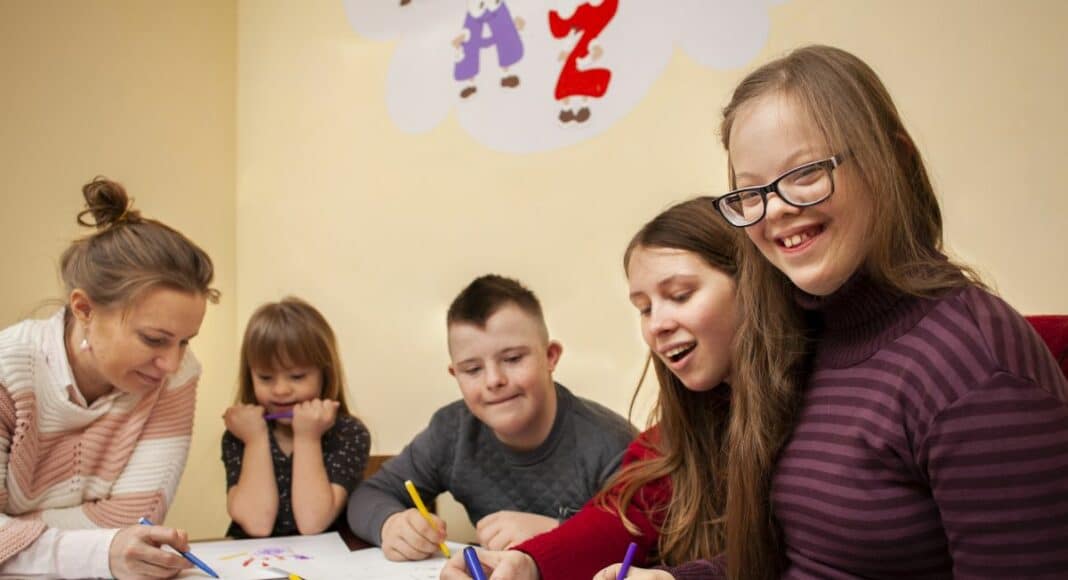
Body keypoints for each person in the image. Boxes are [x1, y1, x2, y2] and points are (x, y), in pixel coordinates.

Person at [622, 44, 1068, 579]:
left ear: (893, 160)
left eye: (806, 172)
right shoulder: (804, 339)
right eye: (751, 192)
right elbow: (803, 561)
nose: (778, 209)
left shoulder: (974, 365)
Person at [441, 198, 764, 580]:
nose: (656, 324)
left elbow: (793, 555)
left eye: (679, 295)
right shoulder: (677, 432)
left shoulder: (818, 410)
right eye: (644, 308)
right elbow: (627, 514)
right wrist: (528, 562)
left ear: (752, 285)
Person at [0, 177, 218, 578]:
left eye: (185, 341)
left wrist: (19, 531)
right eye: (154, 339)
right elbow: (117, 536)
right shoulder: (7, 374)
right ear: (84, 308)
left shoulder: (177, 377)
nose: (171, 364)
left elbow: (135, 517)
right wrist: (100, 549)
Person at [347, 274, 636, 561]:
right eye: (473, 369)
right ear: (455, 374)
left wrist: (558, 534)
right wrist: (389, 524)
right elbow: (367, 496)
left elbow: (653, 542)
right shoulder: (451, 431)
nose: (494, 380)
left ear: (550, 357)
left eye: (512, 359)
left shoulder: (612, 444)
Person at [223, 297, 371, 538]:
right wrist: (255, 440)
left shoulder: (348, 432)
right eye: (265, 377)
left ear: (325, 374)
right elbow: (257, 524)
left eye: (297, 376)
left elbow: (312, 523)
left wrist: (308, 437)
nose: (280, 390)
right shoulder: (242, 432)